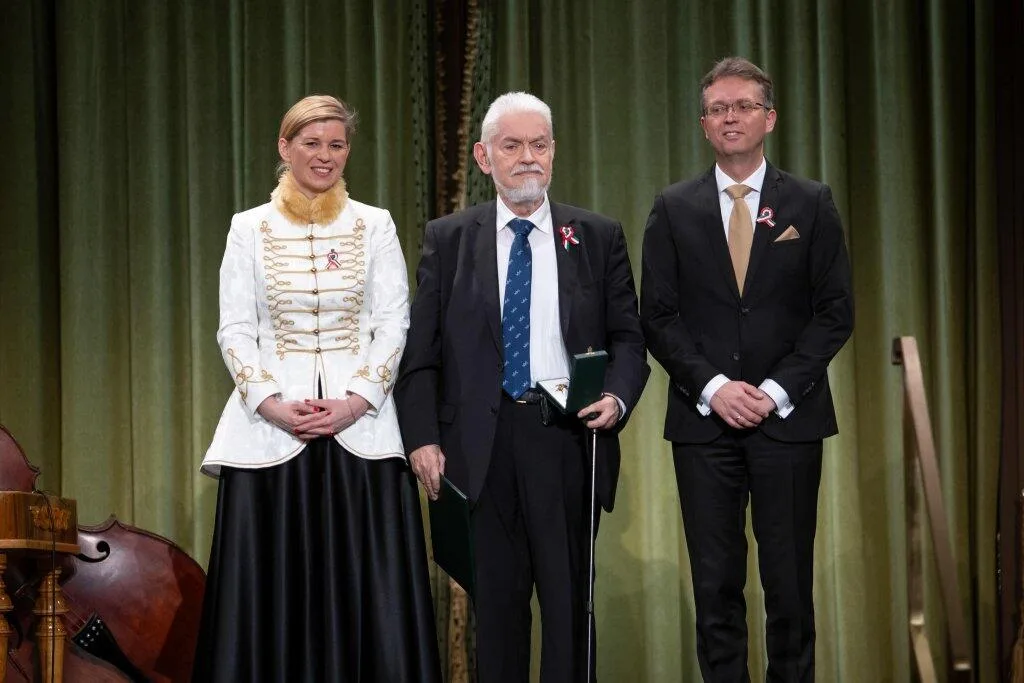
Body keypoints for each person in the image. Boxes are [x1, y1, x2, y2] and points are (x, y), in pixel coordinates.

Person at [395, 92, 648, 682]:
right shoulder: (448, 239)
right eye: (512, 146)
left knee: (569, 612)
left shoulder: (597, 235)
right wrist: (423, 438)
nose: (528, 157)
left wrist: (616, 397)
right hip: (480, 450)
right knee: (499, 617)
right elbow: (421, 354)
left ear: (554, 151)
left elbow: (629, 339)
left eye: (539, 144)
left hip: (566, 438)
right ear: (484, 157)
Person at [193, 95, 441, 682]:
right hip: (270, 432)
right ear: (285, 148)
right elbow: (234, 327)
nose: (325, 155)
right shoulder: (247, 228)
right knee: (270, 592)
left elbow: (394, 322)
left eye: (336, 144)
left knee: (368, 591)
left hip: (363, 432)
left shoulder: (375, 224)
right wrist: (271, 404)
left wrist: (356, 401)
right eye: (311, 143)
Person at [640, 57, 854, 682]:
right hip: (705, 426)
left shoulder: (810, 202)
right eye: (717, 109)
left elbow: (835, 312)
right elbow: (658, 315)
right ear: (704, 124)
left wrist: (776, 389)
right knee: (716, 590)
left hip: (788, 422)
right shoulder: (673, 207)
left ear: (770, 118)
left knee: (789, 588)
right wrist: (713, 387)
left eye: (743, 106)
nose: (730, 117)